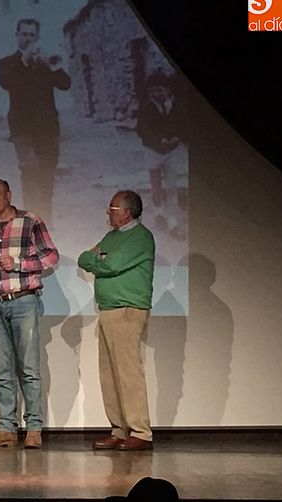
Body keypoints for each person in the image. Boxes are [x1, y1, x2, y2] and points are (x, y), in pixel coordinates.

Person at [0, 179, 59, 449]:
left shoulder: (30, 221)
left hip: (23, 301)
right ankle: (7, 427)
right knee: (3, 369)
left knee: (29, 368)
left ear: (9, 195)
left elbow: (51, 256)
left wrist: (20, 263)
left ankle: (34, 428)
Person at [78, 190, 155, 451]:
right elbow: (84, 258)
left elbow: (111, 265)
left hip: (127, 310)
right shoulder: (111, 237)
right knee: (109, 374)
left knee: (128, 373)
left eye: (112, 208)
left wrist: (100, 258)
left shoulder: (141, 237)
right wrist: (98, 258)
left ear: (126, 212)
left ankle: (141, 432)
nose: (107, 212)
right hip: (109, 309)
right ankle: (119, 429)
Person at [0, 18, 70, 220]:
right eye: (24, 34)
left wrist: (52, 66)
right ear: (17, 36)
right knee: (29, 173)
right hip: (23, 129)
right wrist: (24, 61)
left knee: (47, 174)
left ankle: (45, 218)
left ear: (37, 37)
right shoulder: (7, 63)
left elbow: (65, 84)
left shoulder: (44, 62)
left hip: (48, 128)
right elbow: (6, 82)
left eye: (32, 35)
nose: (28, 38)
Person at [135, 71, 187, 240]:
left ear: (167, 90)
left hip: (171, 151)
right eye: (152, 91)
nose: (155, 94)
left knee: (171, 187)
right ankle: (159, 214)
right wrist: (158, 141)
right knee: (156, 186)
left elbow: (181, 125)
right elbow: (142, 130)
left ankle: (173, 222)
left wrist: (177, 137)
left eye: (159, 90)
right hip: (153, 151)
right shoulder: (146, 109)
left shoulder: (175, 107)